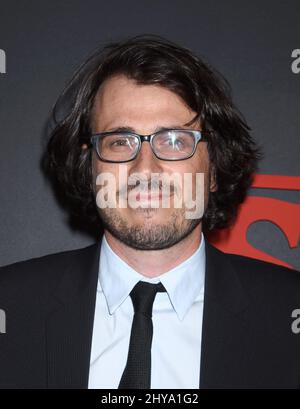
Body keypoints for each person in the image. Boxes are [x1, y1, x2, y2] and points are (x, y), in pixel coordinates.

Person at [0, 34, 299, 389]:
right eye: (120, 141)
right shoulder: (10, 307)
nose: (145, 169)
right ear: (89, 167)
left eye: (174, 141)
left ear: (215, 168)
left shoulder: (287, 313)